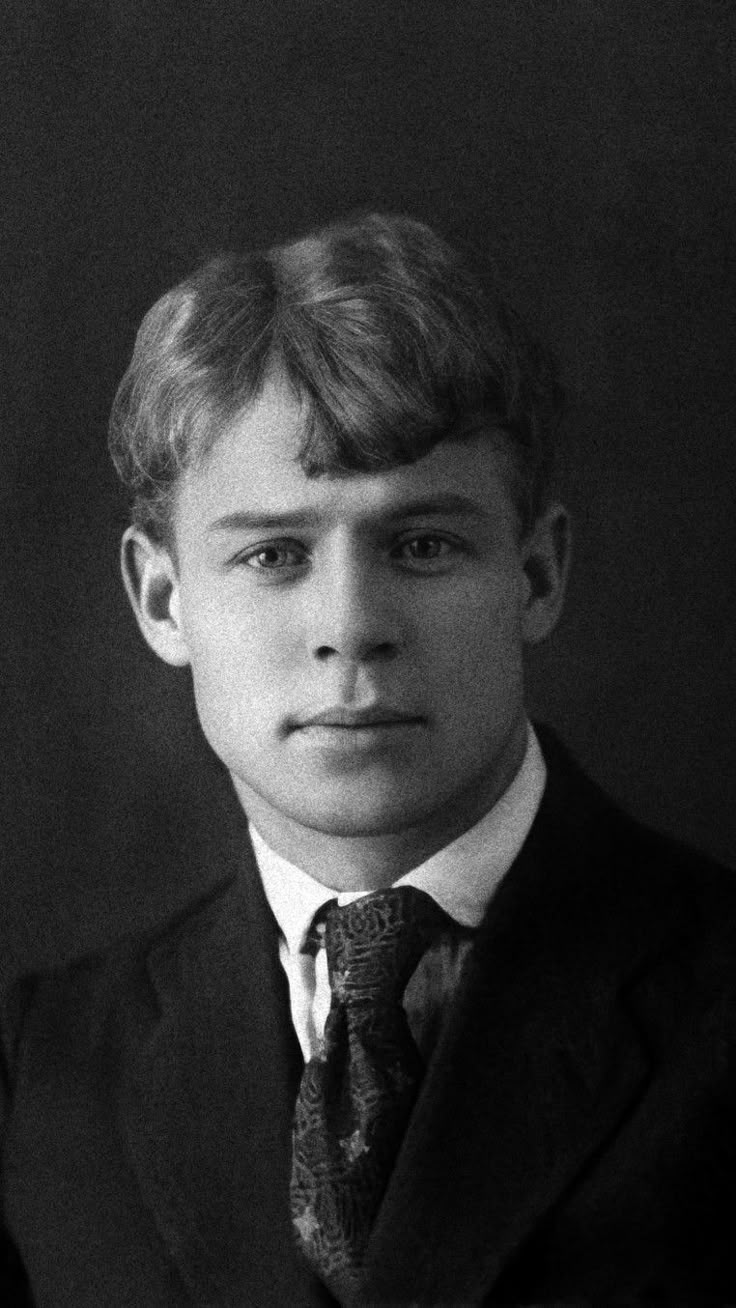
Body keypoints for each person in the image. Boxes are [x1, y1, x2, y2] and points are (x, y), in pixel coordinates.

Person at [1, 212, 735, 1307]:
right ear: (162, 600)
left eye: (423, 545)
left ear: (535, 576)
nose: (351, 626)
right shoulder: (44, 1068)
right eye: (272, 554)